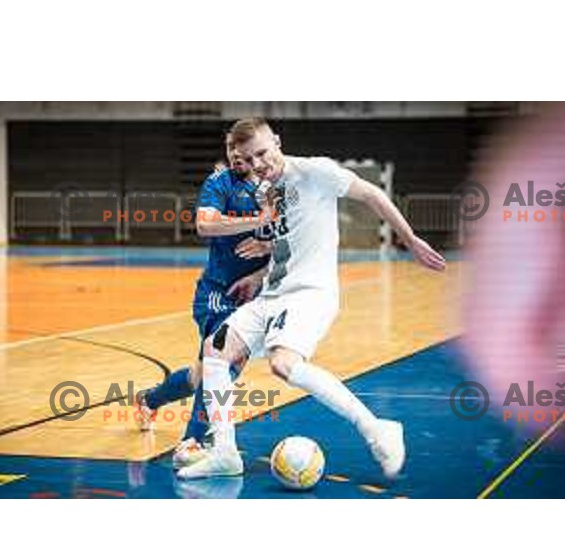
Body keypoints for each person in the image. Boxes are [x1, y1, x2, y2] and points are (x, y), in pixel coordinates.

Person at [177, 118, 446, 480]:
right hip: (273, 293)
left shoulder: (316, 171)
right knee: (214, 350)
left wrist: (410, 240)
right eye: (248, 159)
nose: (258, 163)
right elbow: (289, 240)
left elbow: (372, 195)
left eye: (262, 153)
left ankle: (377, 428)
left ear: (277, 141)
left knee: (283, 363)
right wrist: (259, 273)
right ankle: (225, 452)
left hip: (309, 294)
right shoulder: (266, 192)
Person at [135, 136, 274, 469]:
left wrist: (267, 256)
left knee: (203, 376)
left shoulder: (275, 186)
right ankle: (191, 442)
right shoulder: (220, 181)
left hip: (257, 296)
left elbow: (290, 241)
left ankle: (148, 399)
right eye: (231, 151)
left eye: (244, 151)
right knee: (225, 364)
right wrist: (259, 222)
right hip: (217, 293)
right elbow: (205, 224)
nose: (236, 157)